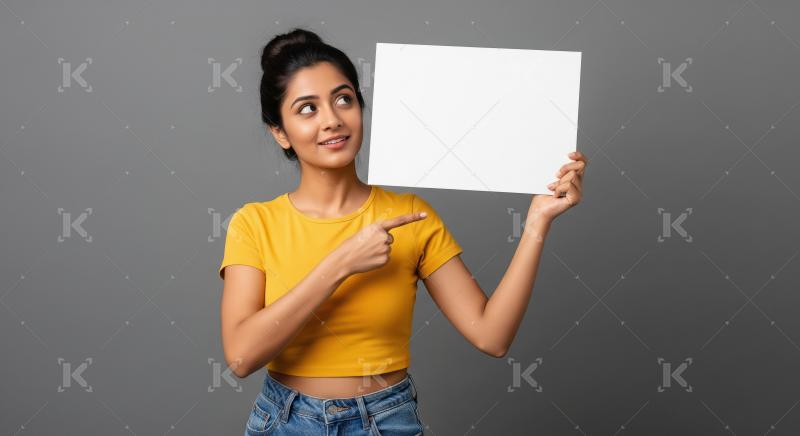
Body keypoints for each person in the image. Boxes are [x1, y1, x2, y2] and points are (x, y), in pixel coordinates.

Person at [219, 27, 588, 436]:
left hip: (385, 420)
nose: (332, 120)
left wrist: (537, 221)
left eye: (344, 99)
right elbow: (240, 358)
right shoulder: (253, 223)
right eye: (307, 109)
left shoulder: (410, 215)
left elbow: (492, 336)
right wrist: (341, 262)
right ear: (280, 132)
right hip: (285, 421)